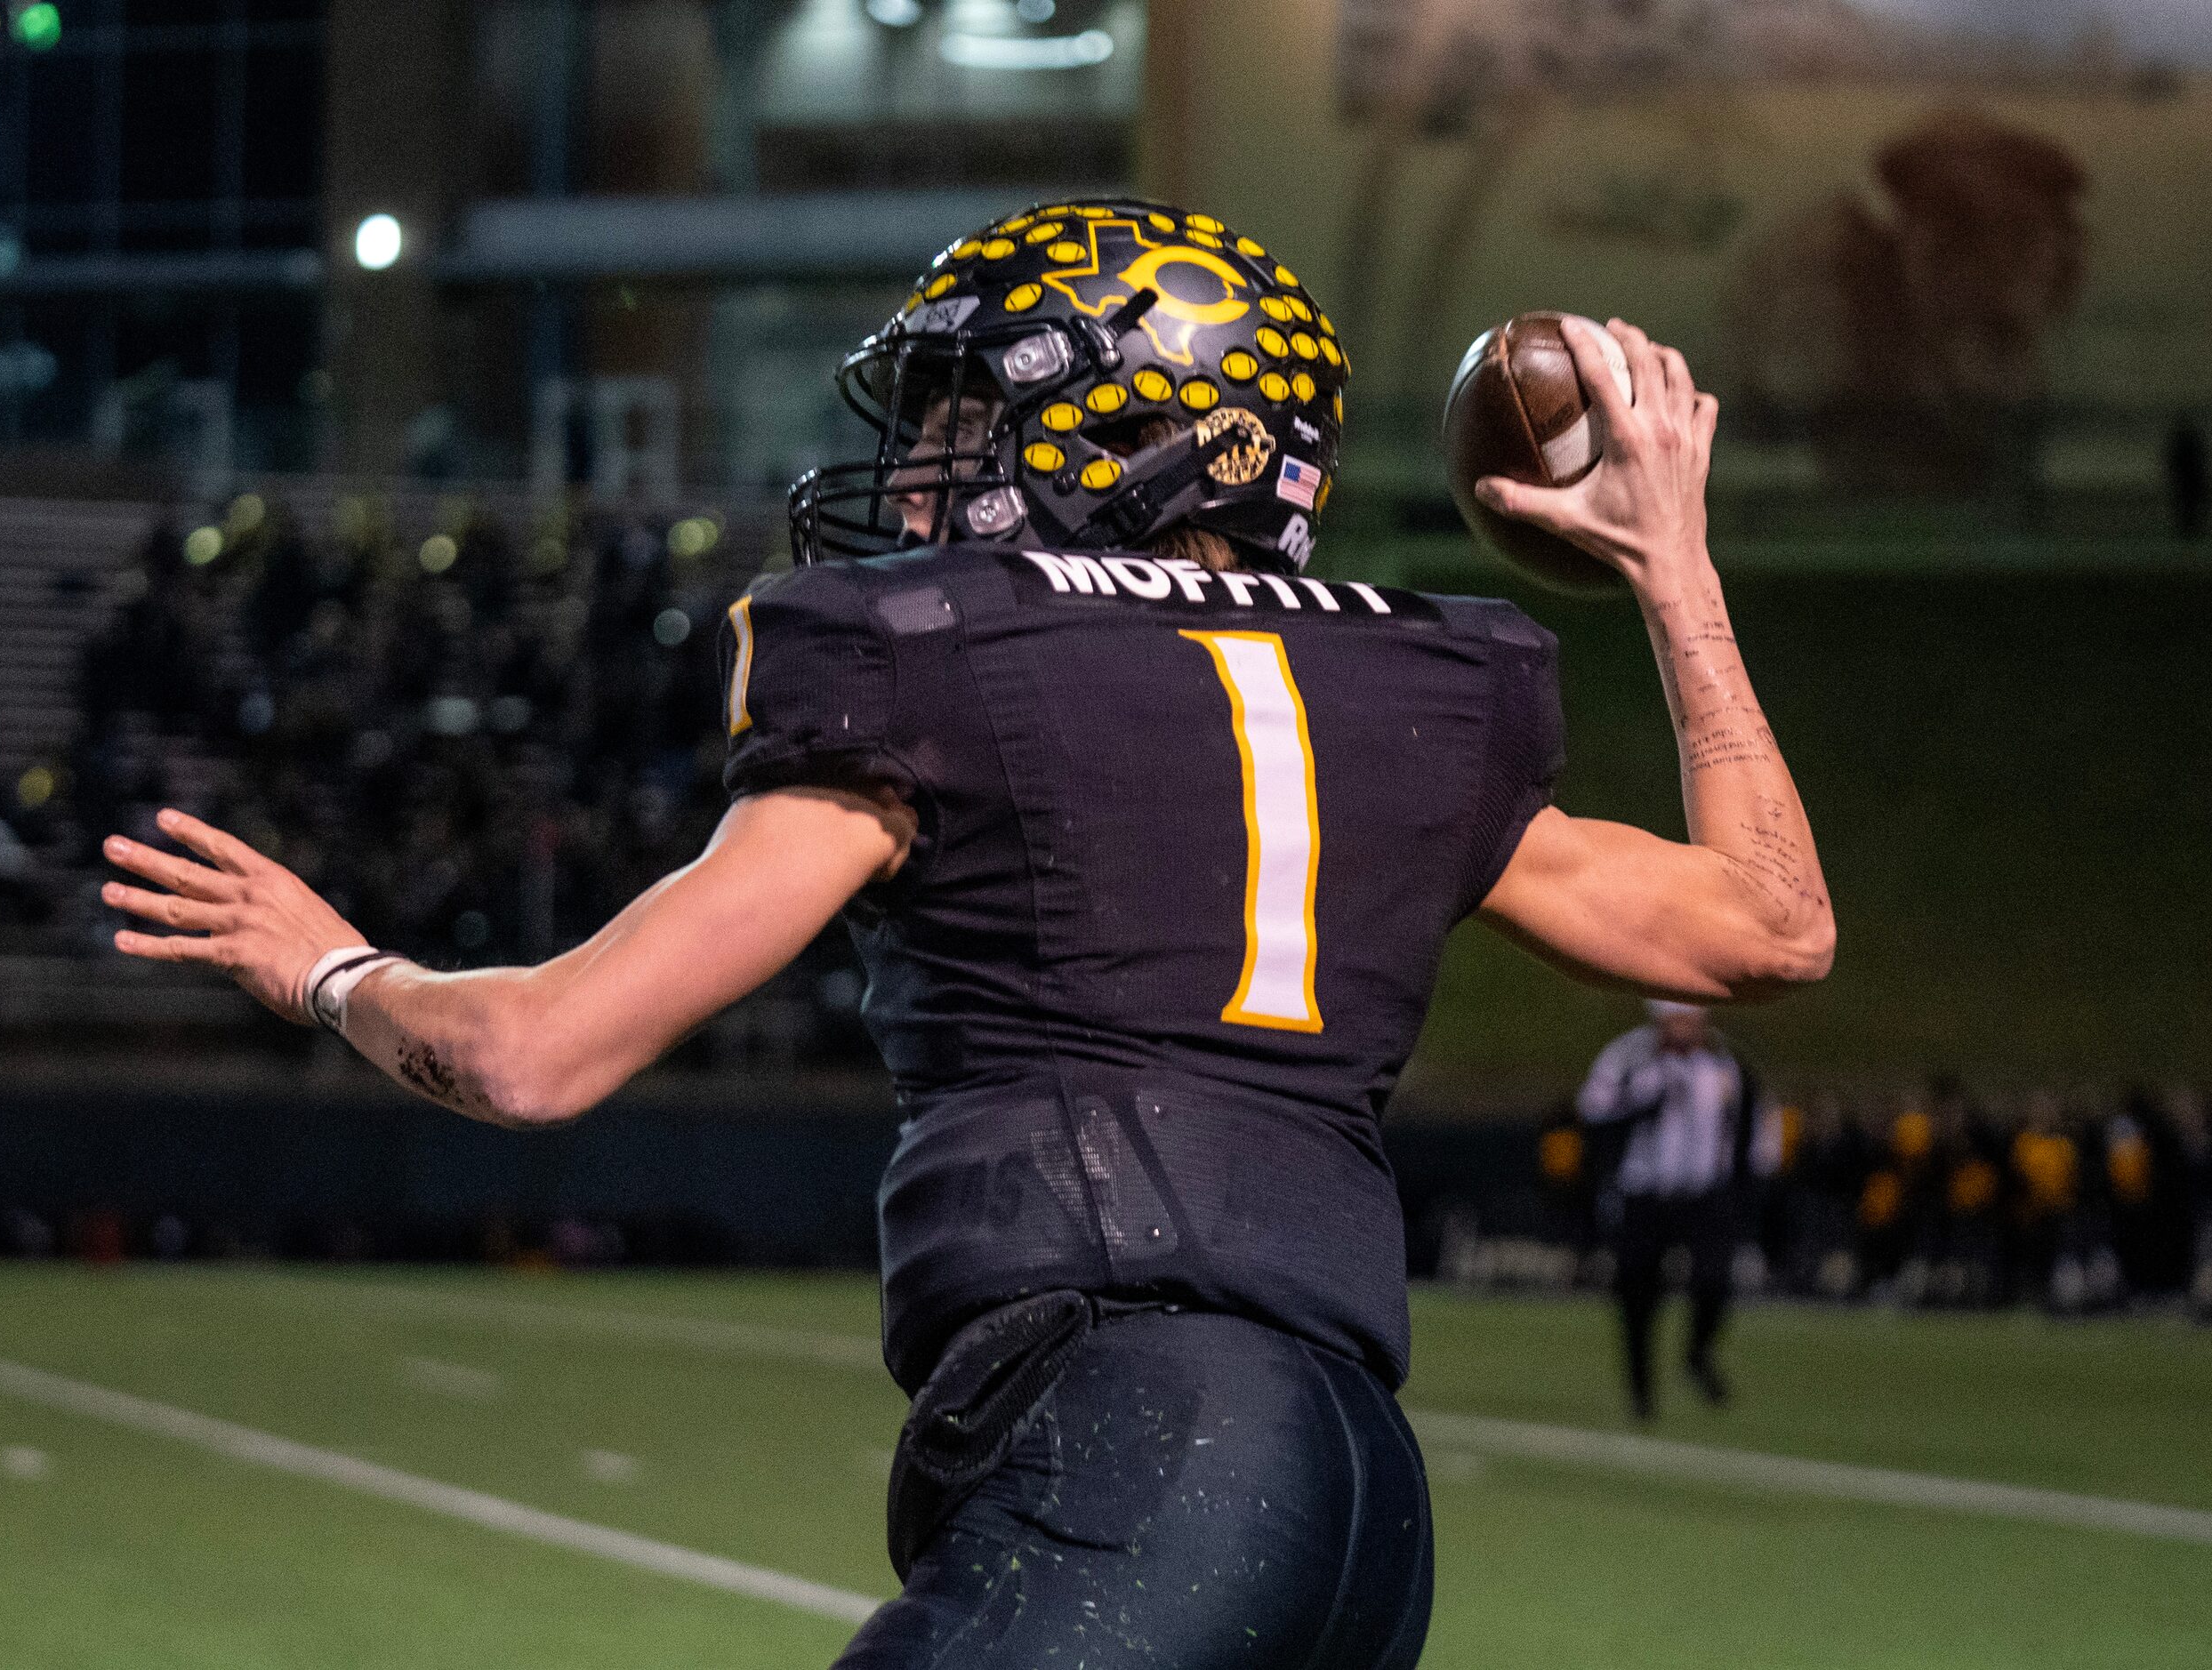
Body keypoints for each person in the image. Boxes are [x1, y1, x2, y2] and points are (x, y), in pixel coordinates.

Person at [101, 198, 1832, 1669]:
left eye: (960, 419)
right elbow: (1767, 927)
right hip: (1357, 1507)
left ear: (1128, 427)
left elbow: (534, 1054)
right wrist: (1671, 570)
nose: (917, 475)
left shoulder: (939, 658)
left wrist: (331, 970)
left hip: (1135, 1454)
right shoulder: (1408, 691)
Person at [1577, 1000, 1776, 1420]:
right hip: (1646, 1192)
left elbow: (1753, 1124)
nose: (1682, 1030)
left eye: (1690, 1020)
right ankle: (1641, 1389)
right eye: (1673, 1021)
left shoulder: (1727, 1063)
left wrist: (1748, 1185)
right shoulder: (1628, 1057)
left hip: (1706, 1194)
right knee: (1638, 1293)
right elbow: (1592, 1113)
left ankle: (1697, 1354)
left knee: (1714, 1281)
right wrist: (1639, 1105)